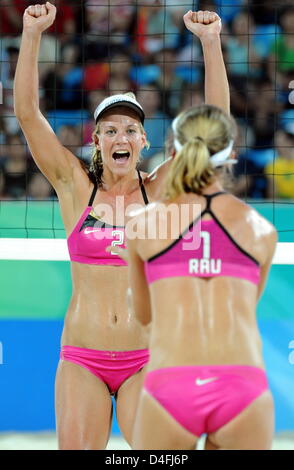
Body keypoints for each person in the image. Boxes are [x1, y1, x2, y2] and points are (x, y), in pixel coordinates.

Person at [14, 3, 229, 449]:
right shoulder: (75, 187)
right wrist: (32, 33)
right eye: (110, 130)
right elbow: (28, 115)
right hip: (82, 360)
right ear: (96, 142)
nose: (121, 138)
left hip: (146, 358)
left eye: (130, 130)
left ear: (144, 141)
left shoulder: (164, 187)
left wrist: (210, 43)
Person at [123, 105, 276, 450]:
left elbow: (145, 317)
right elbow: (246, 310)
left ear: (174, 151)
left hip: (171, 385)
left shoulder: (145, 224)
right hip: (242, 386)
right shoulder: (262, 231)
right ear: (231, 155)